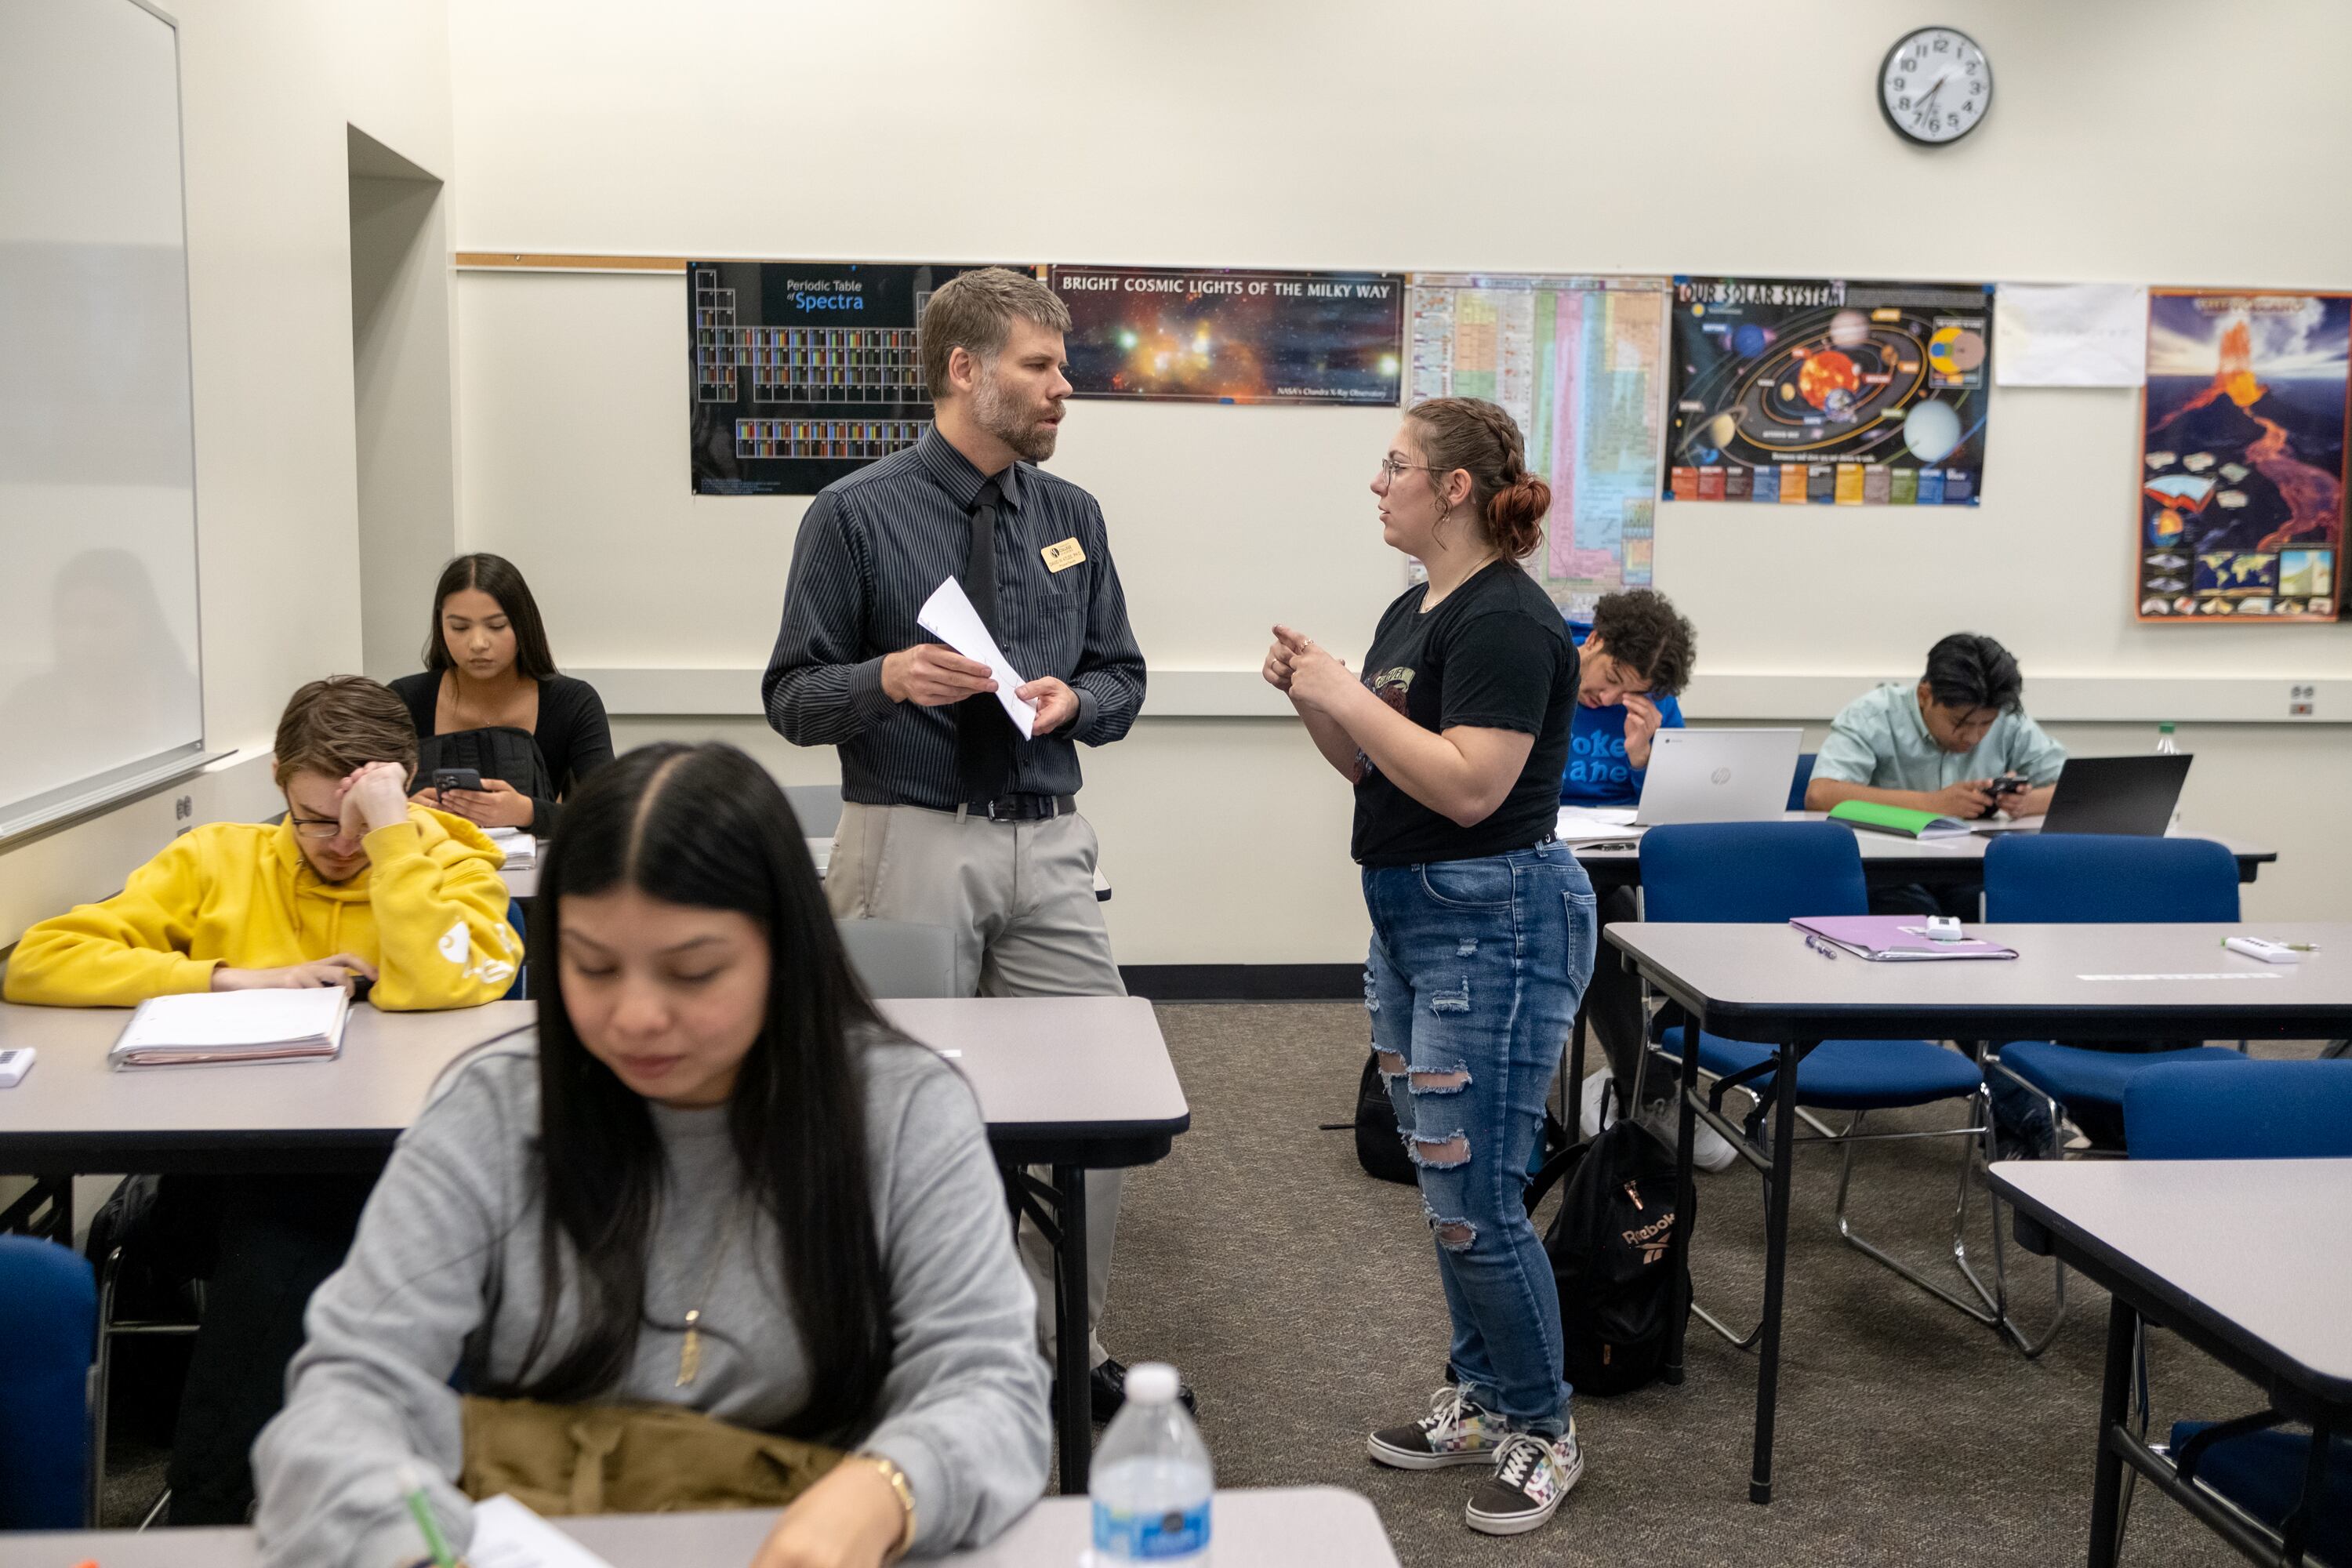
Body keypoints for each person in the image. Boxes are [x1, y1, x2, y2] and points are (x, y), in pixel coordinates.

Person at [252, 743, 1049, 1568]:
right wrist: (400, 1537)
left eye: (693, 971)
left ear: (786, 953)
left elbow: (991, 1384)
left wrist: (887, 1488)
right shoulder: (494, 1105)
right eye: (592, 965)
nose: (634, 1016)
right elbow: (348, 1393)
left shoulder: (901, 1107)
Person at [761, 267, 1160, 1416]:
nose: (1062, 390)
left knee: (1103, 1097)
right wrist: (885, 676)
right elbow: (791, 696)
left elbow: (1122, 675)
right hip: (908, 841)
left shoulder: (1071, 517)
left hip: (1050, 844)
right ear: (965, 371)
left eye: (1063, 368)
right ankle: (894, 1354)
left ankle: (1060, 1348)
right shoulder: (853, 513)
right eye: (1040, 367)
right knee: (885, 1110)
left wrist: (1074, 703)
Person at [4, 674, 519, 1523]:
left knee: (300, 1219)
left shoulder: (451, 860)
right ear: (279, 782)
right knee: (292, 1217)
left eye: (358, 820)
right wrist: (227, 977)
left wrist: (395, 835)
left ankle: (212, 1504)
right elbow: (40, 959)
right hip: (221, 1177)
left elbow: (436, 980)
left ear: (400, 787)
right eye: (316, 818)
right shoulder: (218, 858)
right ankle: (289, 1496)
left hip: (401, 1172)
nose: (338, 844)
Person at [1265, 397, 1595, 1537]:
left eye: (1395, 465)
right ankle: (1484, 1390)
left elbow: (1468, 786)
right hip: (1411, 919)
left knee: (1476, 1195)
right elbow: (1378, 773)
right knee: (1443, 1188)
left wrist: (1347, 690)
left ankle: (1542, 1430)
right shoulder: (1417, 607)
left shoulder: (1505, 617)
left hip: (1496, 921)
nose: (1378, 483)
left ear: (1456, 488)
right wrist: (1322, 696)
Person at [1552, 590, 1733, 1170]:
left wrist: (1643, 759)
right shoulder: (1543, 665)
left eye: (1633, 692)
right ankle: (1652, 1090)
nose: (1608, 699)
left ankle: (1635, 1074)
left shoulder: (1653, 708)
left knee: (1719, 919)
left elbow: (1674, 813)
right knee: (1606, 922)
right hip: (1546, 856)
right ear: (1595, 642)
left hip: (1619, 854)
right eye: (1612, 680)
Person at [1805, 631, 2066, 919]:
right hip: (1889, 873)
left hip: (1972, 869)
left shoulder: (2009, 719)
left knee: (2005, 906)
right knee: (1913, 912)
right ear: (1925, 695)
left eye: (1986, 724)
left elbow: (2075, 788)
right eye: (1959, 723)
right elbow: (1821, 794)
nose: (1974, 736)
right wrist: (1933, 805)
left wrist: (2029, 803)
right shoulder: (1872, 715)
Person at [390, 552, 615, 840]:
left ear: (523, 626)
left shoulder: (574, 702)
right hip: (431, 872)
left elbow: (610, 816)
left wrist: (527, 812)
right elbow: (352, 805)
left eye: (496, 626)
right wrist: (401, 809)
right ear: (440, 625)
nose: (478, 643)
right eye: (459, 627)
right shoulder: (404, 699)